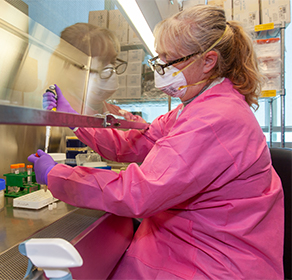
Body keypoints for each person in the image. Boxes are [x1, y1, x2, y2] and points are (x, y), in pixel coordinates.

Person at [29, 5, 284, 279]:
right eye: (158, 60)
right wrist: (76, 121)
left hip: (211, 264)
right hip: (192, 247)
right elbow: (138, 141)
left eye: (169, 61)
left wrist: (58, 175)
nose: (160, 70)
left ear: (208, 61)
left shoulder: (215, 118)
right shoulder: (197, 106)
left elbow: (138, 193)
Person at [44, 22, 146, 123]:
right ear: (69, 68)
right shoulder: (60, 114)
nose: (110, 71)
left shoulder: (115, 112)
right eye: (100, 63)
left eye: (113, 62)